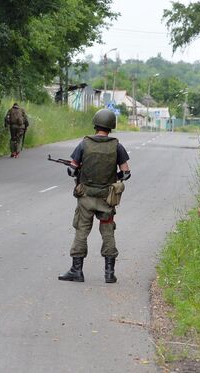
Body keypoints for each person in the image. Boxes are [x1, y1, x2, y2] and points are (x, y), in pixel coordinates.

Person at [58, 109, 130, 284]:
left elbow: (72, 168)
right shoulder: (117, 146)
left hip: (86, 198)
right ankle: (109, 273)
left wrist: (80, 170)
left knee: (81, 230)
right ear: (111, 126)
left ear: (95, 124)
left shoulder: (84, 144)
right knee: (108, 231)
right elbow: (126, 173)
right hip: (107, 198)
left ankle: (76, 270)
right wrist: (114, 178)